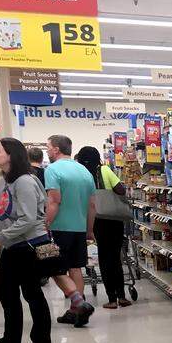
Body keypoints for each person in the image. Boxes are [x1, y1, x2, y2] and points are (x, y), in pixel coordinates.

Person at [0, 138, 52, 343]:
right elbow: (8, 212)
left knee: (32, 293)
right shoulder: (5, 180)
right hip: (13, 246)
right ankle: (10, 339)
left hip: (30, 245)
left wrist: (0, 237)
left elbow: (28, 219)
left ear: (11, 155)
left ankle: (41, 342)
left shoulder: (25, 181)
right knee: (8, 294)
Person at [44, 134, 95, 326]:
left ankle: (79, 304)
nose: (47, 151)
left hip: (58, 228)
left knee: (52, 267)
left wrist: (45, 223)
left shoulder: (52, 169)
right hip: (80, 228)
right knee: (75, 267)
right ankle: (76, 312)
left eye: (48, 147)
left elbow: (54, 201)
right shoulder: (84, 171)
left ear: (56, 149)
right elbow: (92, 205)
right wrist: (89, 230)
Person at [75, 146, 131, 309]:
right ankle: (122, 297)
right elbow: (120, 189)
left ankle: (111, 299)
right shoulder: (105, 170)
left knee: (104, 259)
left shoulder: (81, 174)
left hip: (95, 220)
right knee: (116, 257)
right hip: (114, 219)